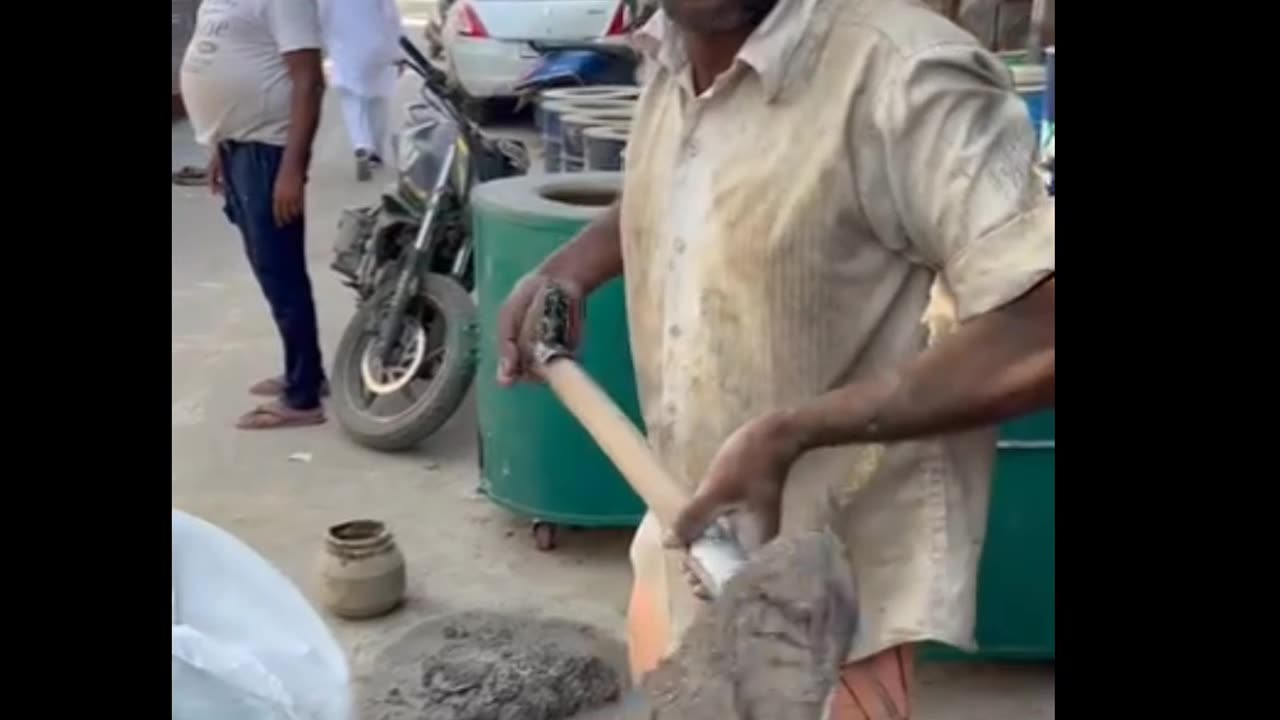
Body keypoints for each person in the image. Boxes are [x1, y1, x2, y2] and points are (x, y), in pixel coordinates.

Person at [495, 0, 1055, 716]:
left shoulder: (905, 76)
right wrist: (570, 268)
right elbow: (682, 184)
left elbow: (1042, 329)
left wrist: (793, 432)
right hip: (680, 537)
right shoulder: (670, 52)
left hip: (825, 624)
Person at [181, 0, 328, 430]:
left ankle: (302, 399)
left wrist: (292, 169)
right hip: (237, 148)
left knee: (281, 273)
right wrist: (218, 146)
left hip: (269, 150)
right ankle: (306, 371)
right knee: (269, 271)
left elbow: (309, 83)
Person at [321, 0, 404, 181]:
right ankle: (375, 152)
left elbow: (322, 16)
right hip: (378, 45)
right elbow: (391, 16)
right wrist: (398, 50)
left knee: (351, 99)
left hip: (344, 45)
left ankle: (361, 145)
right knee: (378, 100)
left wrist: (324, 46)